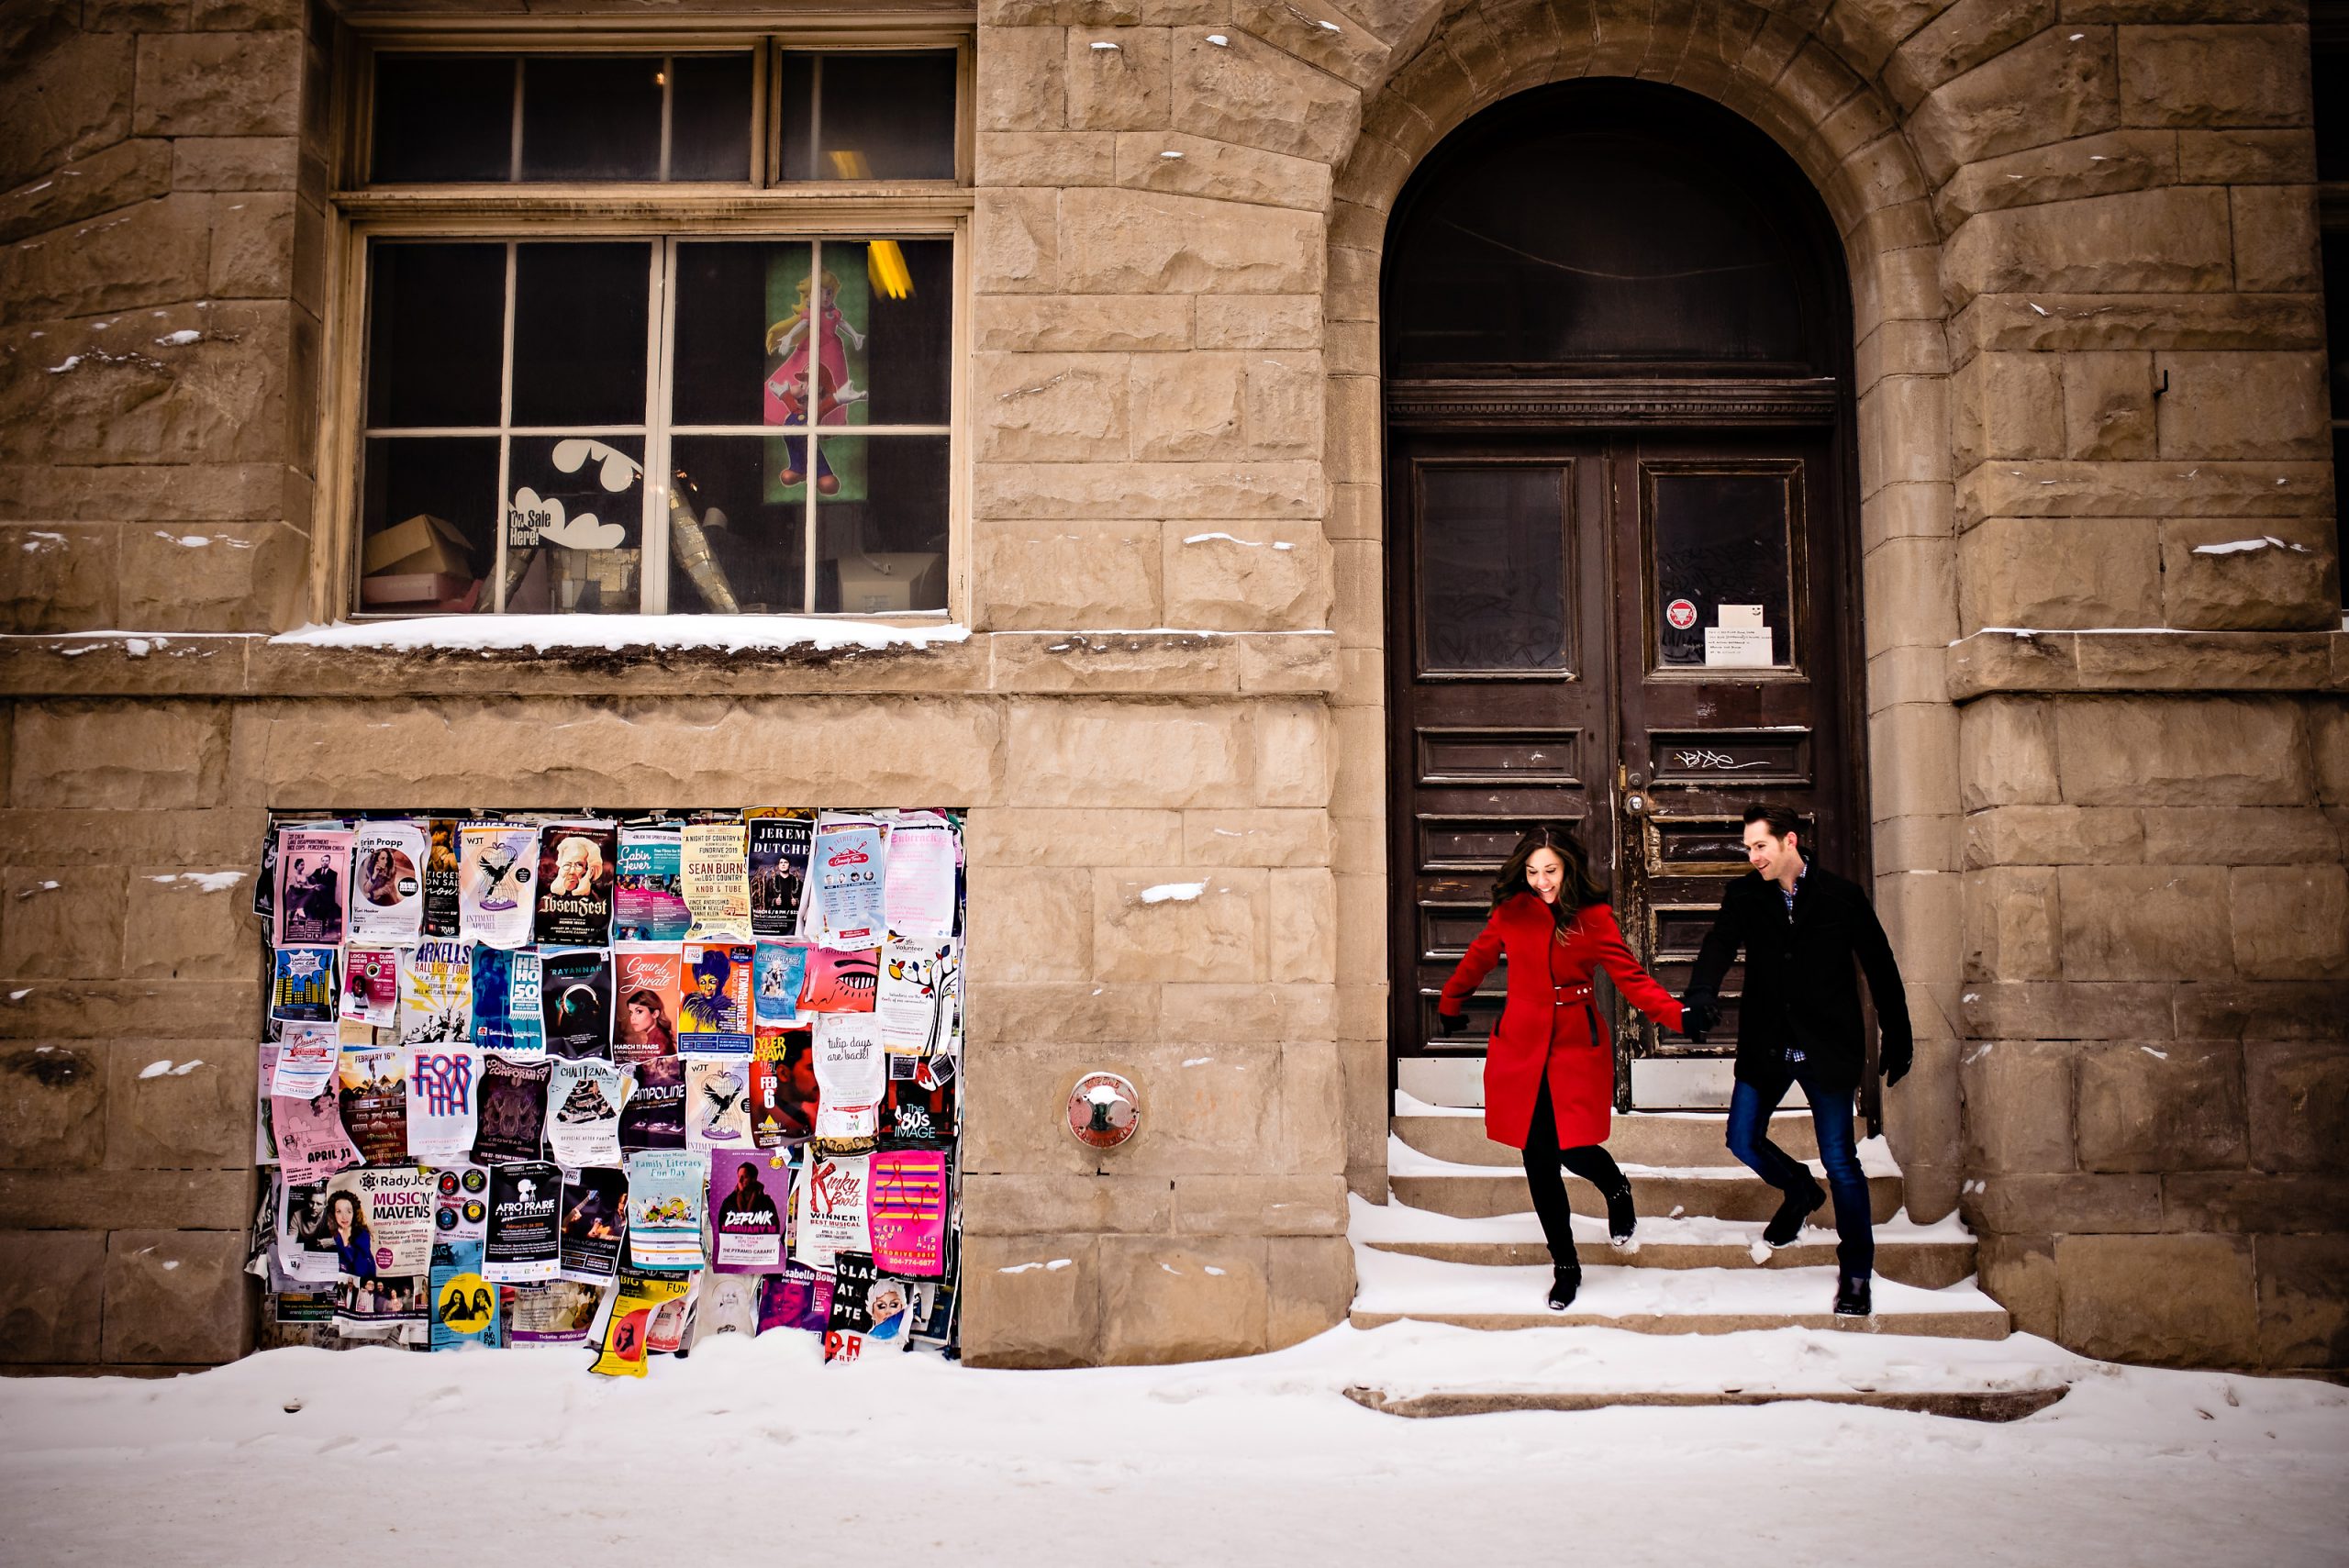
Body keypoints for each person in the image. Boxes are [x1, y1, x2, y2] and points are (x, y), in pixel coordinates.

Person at [1435, 822, 1693, 1311]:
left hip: (1574, 1043)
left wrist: (1678, 1016)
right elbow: (1478, 957)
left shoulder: (1593, 918)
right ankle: (1566, 1266)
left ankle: (1616, 1187)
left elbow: (1631, 978)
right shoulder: (1511, 912)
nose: (1542, 881)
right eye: (1533, 872)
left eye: (1550, 870)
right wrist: (1451, 1001)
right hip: (1520, 1045)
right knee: (1537, 1157)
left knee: (1573, 1147)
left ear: (1568, 868)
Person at [1678, 805, 1913, 1318]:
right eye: (1747, 848)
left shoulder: (1841, 896)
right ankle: (1799, 1189)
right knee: (1742, 1139)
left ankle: (1856, 1272)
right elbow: (1718, 946)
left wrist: (1898, 1033)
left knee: (1840, 1161)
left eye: (1760, 846)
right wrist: (1700, 994)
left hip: (1827, 1047)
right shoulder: (1745, 895)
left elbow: (1880, 964)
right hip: (1768, 1043)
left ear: (1789, 841)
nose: (1752, 856)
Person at [315, 1190, 376, 1280]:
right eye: (339, 1211)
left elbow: (360, 1271)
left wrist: (336, 1243)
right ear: (333, 1213)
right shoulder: (328, 1232)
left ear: (354, 1213)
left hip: (361, 1281)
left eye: (349, 1211)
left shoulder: (362, 1235)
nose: (344, 1217)